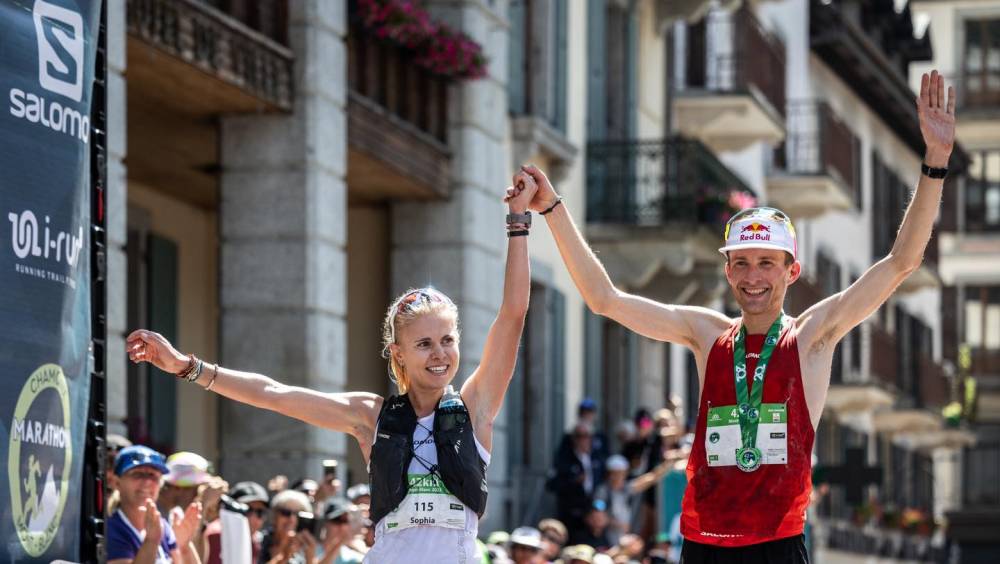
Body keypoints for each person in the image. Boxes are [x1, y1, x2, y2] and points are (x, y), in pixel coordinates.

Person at [514, 71, 956, 563]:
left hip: (776, 547)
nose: (753, 276)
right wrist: (552, 209)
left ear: (792, 271)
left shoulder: (812, 335)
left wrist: (935, 161)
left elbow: (900, 262)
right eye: (741, 263)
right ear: (727, 270)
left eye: (767, 262)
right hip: (703, 545)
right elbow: (605, 300)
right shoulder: (706, 334)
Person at [128, 175, 539, 564]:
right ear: (398, 353)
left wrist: (518, 221)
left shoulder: (474, 409)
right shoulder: (371, 416)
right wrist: (187, 366)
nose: (439, 354)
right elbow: (273, 395)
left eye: (447, 340)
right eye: (424, 344)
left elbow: (512, 314)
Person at [106, 445, 203, 564]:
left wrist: (185, 547)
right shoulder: (112, 529)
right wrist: (151, 541)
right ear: (117, 483)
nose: (147, 481)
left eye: (153, 475)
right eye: (137, 474)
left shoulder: (163, 527)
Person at [550, 423, 605, 541]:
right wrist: (574, 481)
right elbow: (552, 484)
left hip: (591, 513)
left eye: (587, 436)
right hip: (571, 513)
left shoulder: (596, 457)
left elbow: (601, 481)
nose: (583, 440)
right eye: (579, 436)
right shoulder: (564, 458)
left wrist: (597, 508)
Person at [203, 480, 269, 564]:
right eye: (247, 510)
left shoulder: (255, 541)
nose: (253, 518)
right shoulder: (216, 535)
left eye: (260, 512)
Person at [315, 498, 364, 563]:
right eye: (337, 520)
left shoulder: (352, 557)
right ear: (325, 523)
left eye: (345, 521)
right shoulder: (311, 549)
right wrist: (339, 544)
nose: (342, 526)